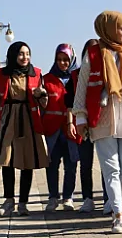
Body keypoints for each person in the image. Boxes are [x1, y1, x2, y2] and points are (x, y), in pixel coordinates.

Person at [73, 11, 122, 234]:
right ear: (108, 29)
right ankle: (118, 215)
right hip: (103, 119)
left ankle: (114, 201)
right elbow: (82, 87)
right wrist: (80, 116)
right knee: (112, 170)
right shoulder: (93, 54)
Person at [0, 41, 50, 217]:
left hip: (29, 119)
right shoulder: (3, 75)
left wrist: (40, 94)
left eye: (27, 53)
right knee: (8, 160)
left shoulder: (37, 74)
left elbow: (44, 102)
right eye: (21, 54)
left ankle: (23, 203)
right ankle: (9, 200)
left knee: (28, 162)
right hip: (9, 119)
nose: (25, 57)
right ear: (13, 55)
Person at [64, 39, 104, 214]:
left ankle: (109, 199)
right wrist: (73, 121)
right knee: (85, 162)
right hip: (84, 123)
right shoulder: (76, 75)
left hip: (103, 122)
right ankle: (88, 198)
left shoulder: (106, 71)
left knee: (106, 163)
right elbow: (70, 100)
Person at [42, 43, 81, 212]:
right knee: (52, 164)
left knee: (71, 165)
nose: (63, 63)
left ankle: (68, 197)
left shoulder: (78, 78)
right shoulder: (47, 79)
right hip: (52, 130)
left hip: (71, 129)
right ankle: (52, 197)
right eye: (59, 59)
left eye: (66, 59)